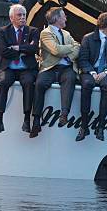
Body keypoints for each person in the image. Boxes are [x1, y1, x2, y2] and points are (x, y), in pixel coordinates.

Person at [0, 4, 40, 135]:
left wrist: (16, 48)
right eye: (19, 15)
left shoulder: (33, 31)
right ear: (11, 18)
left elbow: (34, 49)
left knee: (29, 83)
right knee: (3, 82)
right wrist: (24, 49)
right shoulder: (4, 31)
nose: (23, 17)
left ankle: (26, 120)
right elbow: (2, 51)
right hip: (9, 68)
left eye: (24, 14)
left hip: (26, 68)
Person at [32, 7, 80, 138]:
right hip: (50, 68)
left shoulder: (67, 34)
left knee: (70, 79)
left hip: (66, 68)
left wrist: (68, 55)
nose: (66, 18)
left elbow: (78, 48)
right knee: (40, 84)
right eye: (64, 16)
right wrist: (71, 48)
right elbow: (56, 50)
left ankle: (64, 114)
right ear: (56, 18)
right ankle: (36, 119)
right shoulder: (45, 33)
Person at [77, 12, 107, 142]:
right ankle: (84, 125)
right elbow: (83, 59)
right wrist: (92, 72)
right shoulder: (88, 38)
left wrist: (106, 72)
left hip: (106, 72)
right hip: (90, 71)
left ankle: (100, 126)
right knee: (87, 84)